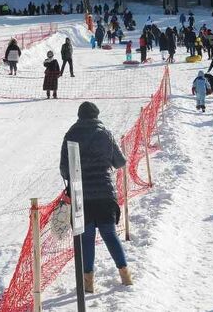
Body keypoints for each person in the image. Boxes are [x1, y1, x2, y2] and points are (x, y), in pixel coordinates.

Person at [60, 102, 133, 292]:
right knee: (110, 235)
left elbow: (64, 169)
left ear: (79, 115)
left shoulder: (71, 135)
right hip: (104, 194)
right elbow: (120, 162)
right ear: (96, 115)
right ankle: (125, 276)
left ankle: (88, 283)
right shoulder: (104, 133)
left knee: (87, 239)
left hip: (80, 196)